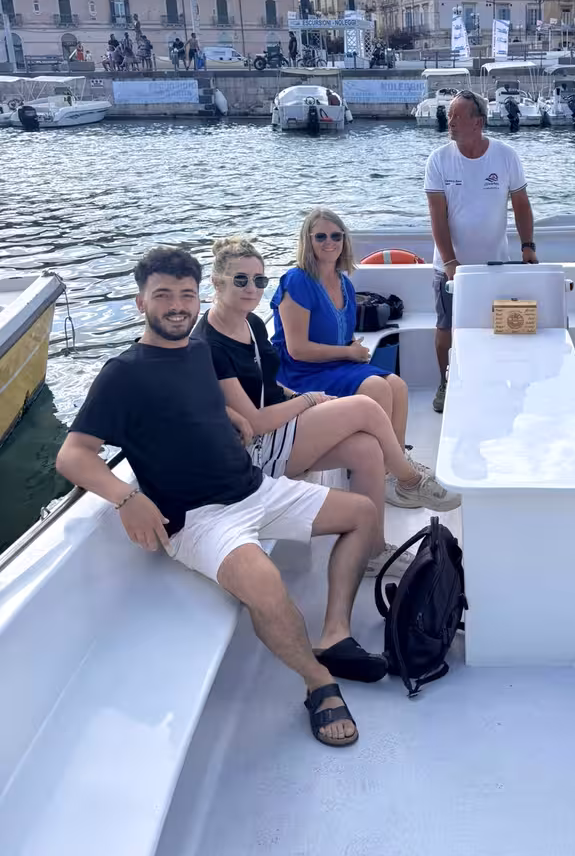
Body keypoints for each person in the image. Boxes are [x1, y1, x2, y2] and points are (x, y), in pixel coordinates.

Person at [56, 246, 384, 748]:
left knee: (362, 513)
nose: (177, 305)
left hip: (254, 487)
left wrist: (228, 418)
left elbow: (204, 405)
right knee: (265, 582)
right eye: (162, 295)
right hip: (201, 519)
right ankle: (319, 683)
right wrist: (126, 498)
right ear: (140, 301)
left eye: (186, 295)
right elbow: (73, 455)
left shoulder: (197, 352)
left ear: (197, 296)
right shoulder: (123, 373)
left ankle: (334, 633)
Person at [195, 236, 459, 560]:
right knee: (365, 406)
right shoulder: (210, 343)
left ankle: (372, 553)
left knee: (368, 449)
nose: (252, 288)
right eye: (241, 280)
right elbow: (254, 421)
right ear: (216, 282)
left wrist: (301, 398)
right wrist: (308, 401)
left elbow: (270, 387)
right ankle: (409, 479)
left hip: (277, 428)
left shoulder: (249, 322)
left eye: (259, 280)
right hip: (251, 451)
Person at [425, 88, 537, 412]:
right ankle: (446, 382)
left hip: (495, 264)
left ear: (478, 122)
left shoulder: (505, 156)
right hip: (448, 265)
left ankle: (492, 378)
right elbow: (437, 217)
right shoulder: (439, 160)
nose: (451, 122)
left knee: (495, 325)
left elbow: (522, 205)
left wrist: (528, 247)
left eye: (457, 116)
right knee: (446, 326)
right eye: (449, 117)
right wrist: (450, 263)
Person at [271, 208, 415, 458]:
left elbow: (342, 335)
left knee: (398, 386)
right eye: (321, 237)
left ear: (344, 240)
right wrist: (349, 351)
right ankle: (386, 468)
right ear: (308, 240)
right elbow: (297, 349)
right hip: (300, 371)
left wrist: (349, 347)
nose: (330, 242)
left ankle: (396, 463)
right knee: (377, 388)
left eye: (336, 236)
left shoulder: (345, 284)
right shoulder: (297, 281)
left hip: (335, 365)